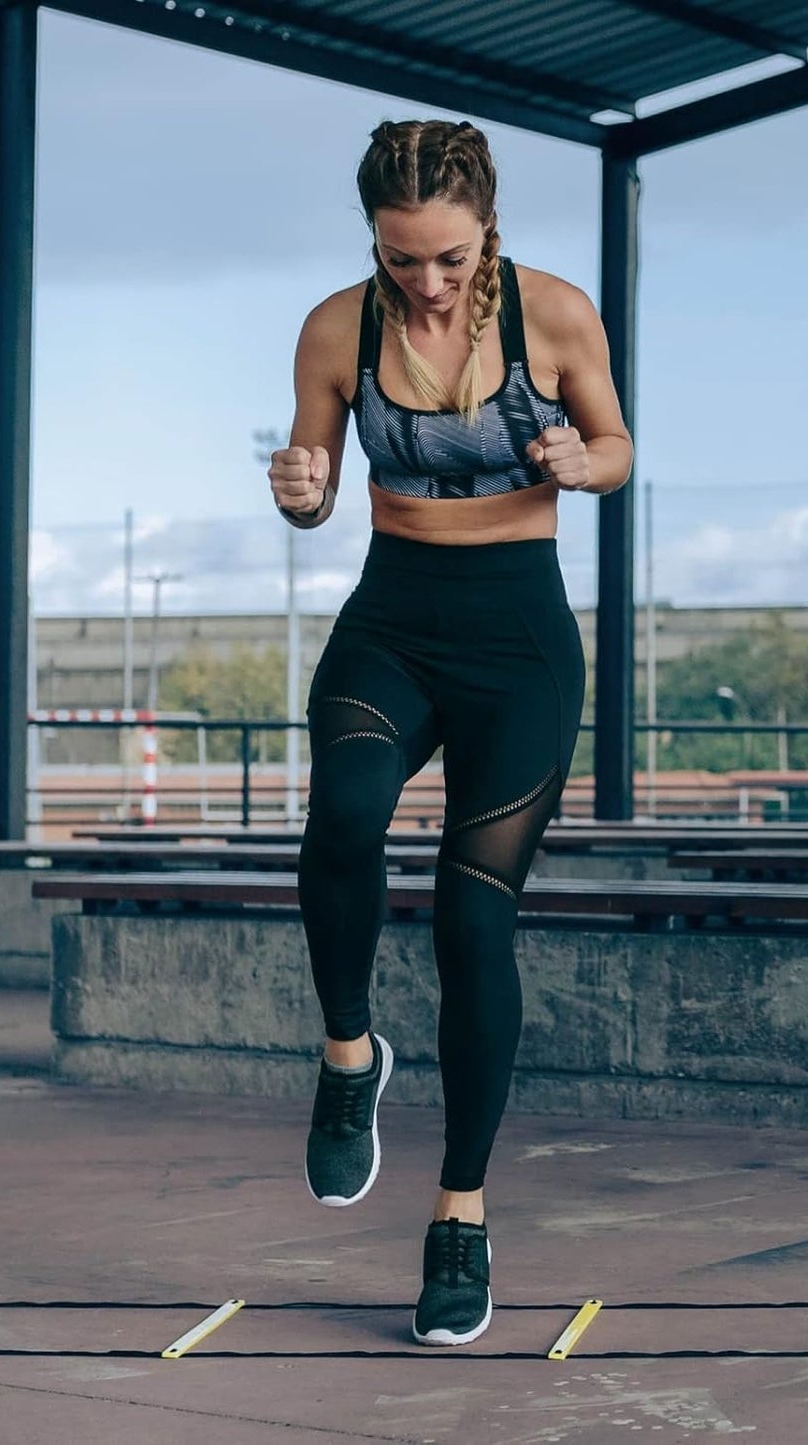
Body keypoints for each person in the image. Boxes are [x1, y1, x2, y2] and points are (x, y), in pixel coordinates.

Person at [266, 118, 632, 1347]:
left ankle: (460, 1218)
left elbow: (619, 447)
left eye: (448, 258)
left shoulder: (557, 315)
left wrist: (585, 462)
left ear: (488, 229)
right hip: (394, 615)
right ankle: (347, 1053)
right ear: (372, 238)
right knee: (346, 812)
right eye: (400, 257)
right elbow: (314, 476)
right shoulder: (336, 327)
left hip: (519, 637)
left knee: (475, 916)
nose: (425, 281)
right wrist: (305, 492)